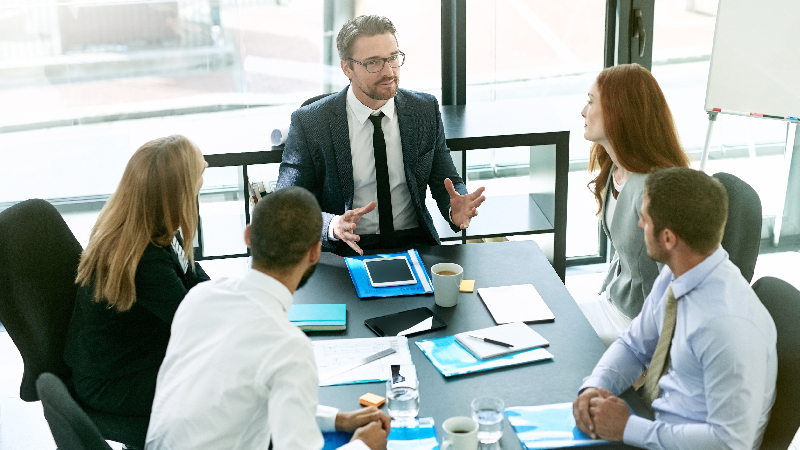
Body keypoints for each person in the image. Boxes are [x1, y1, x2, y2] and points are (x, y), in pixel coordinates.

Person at [145, 186, 390, 450]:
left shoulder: (200, 298)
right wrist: (363, 445)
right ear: (314, 253)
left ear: (249, 236)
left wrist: (339, 419)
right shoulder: (289, 348)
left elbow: (238, 399)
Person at [572, 167, 777, 450]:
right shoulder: (678, 273)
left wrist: (628, 428)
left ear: (668, 238)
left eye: (644, 219)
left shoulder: (729, 326)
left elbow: (730, 443)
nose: (640, 224)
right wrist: (596, 385)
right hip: (656, 423)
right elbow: (634, 346)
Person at [276, 15, 485, 257]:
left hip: (414, 242)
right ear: (347, 68)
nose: (388, 71)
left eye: (393, 58)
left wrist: (453, 208)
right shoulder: (310, 122)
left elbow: (445, 180)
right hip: (345, 249)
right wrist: (331, 226)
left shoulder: (424, 110)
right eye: (373, 62)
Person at [64, 135, 210, 417]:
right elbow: (194, 322)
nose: (203, 176)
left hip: (138, 354)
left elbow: (196, 281)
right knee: (230, 385)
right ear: (177, 190)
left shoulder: (155, 223)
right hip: (112, 382)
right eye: (199, 173)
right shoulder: (144, 255)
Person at [580, 63, 691, 346]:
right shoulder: (615, 172)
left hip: (640, 326)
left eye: (591, 102)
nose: (583, 111)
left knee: (551, 334)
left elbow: (681, 283)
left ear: (618, 113)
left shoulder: (653, 190)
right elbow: (624, 257)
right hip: (615, 304)